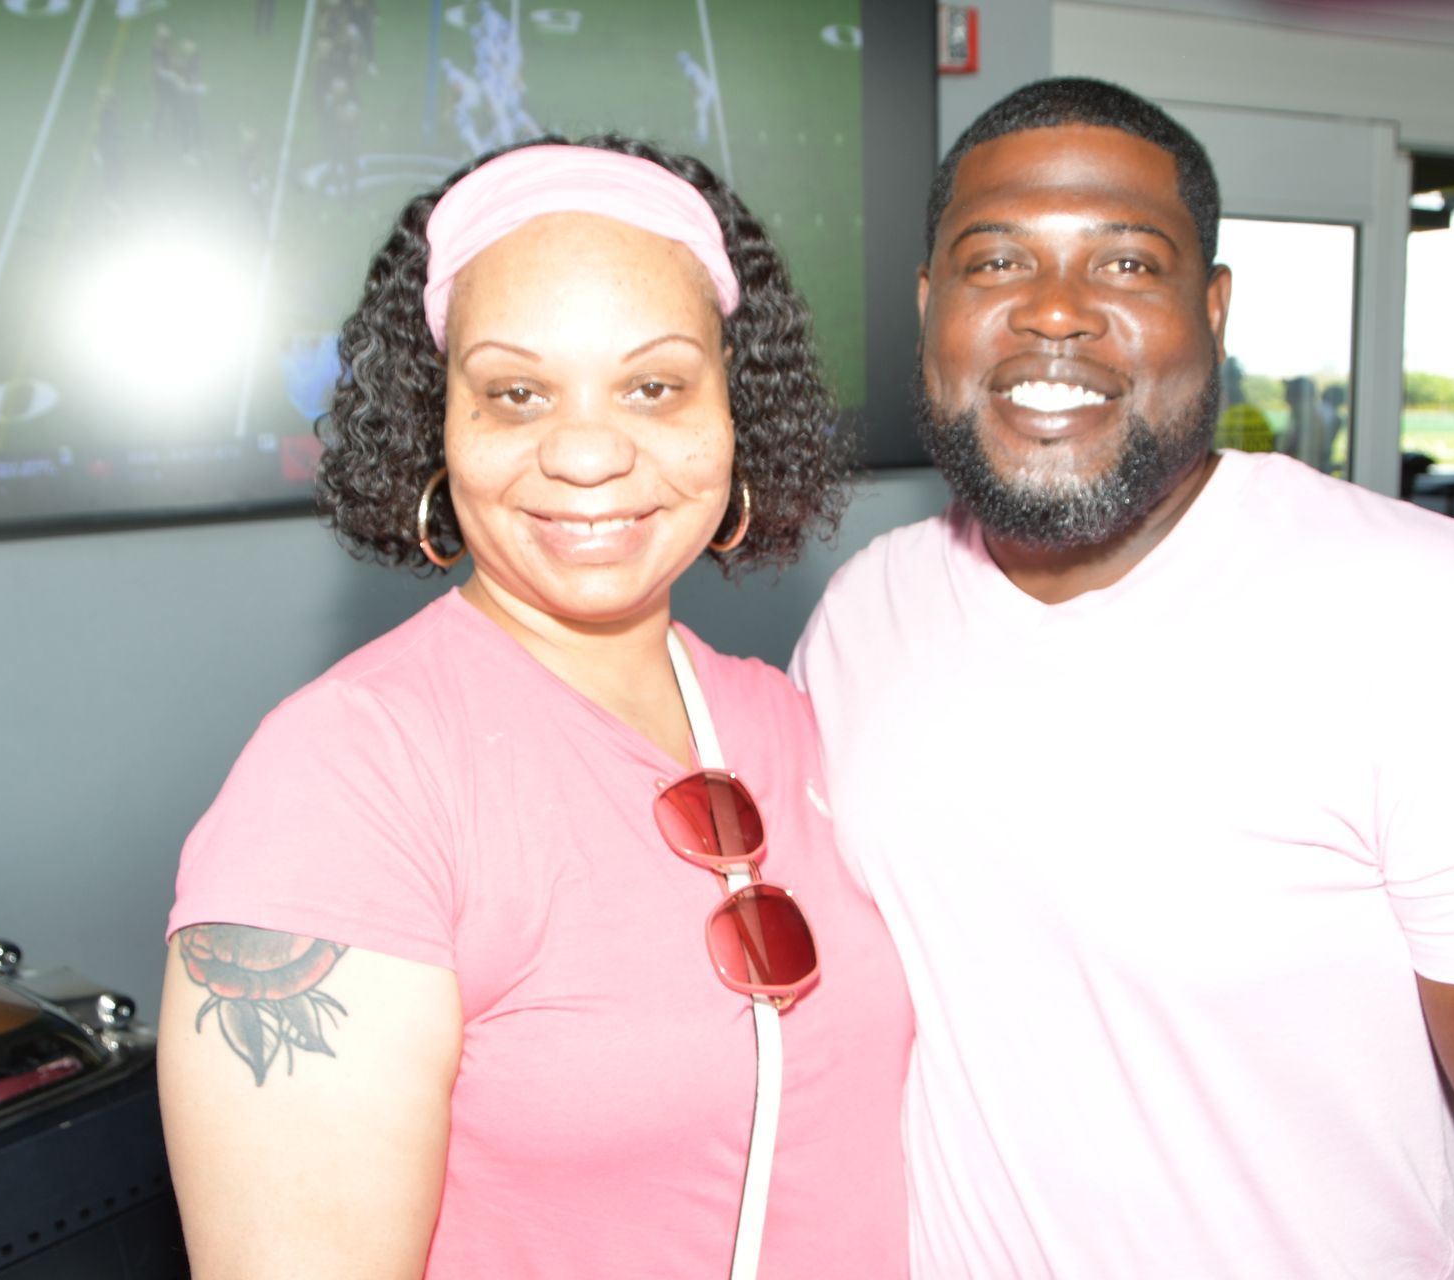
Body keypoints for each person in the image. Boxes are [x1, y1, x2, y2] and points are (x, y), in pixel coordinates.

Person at [792, 77, 1454, 1277]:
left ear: (1211, 308)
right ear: (929, 306)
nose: (1053, 310)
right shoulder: (861, 617)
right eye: (996, 261)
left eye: (1126, 263)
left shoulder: (1433, 623)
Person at [159, 137, 911, 1278]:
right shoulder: (344, 779)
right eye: (516, 393)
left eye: (654, 386)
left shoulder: (789, 719)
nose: (589, 452)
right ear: (439, 425)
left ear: (737, 411)